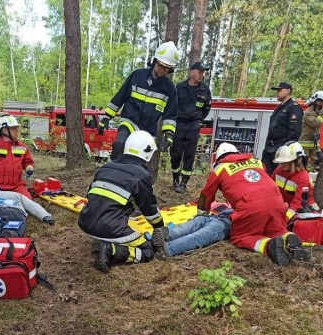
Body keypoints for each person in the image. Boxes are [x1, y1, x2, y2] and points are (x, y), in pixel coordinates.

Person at [198, 142, 308, 266]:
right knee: (277, 230)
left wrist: (202, 214)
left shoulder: (220, 168)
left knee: (242, 236)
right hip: (277, 203)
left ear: (218, 159)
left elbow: (206, 195)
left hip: (250, 206)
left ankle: (268, 245)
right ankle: (288, 237)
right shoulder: (257, 162)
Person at [78, 130, 165, 272]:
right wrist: (159, 227)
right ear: (148, 153)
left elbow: (92, 196)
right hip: (109, 228)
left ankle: (105, 242)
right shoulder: (141, 175)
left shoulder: (105, 168)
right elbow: (149, 210)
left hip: (85, 222)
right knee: (149, 250)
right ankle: (111, 251)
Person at [100, 41, 179, 160]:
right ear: (154, 62)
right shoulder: (137, 76)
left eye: (166, 69)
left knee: (141, 159)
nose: (162, 70)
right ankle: (112, 172)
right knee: (120, 145)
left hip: (148, 129)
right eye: (160, 66)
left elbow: (170, 115)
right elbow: (120, 96)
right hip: (129, 121)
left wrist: (169, 134)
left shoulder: (169, 88)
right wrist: (106, 117)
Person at [170, 61, 212, 193]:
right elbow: (172, 105)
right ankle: (175, 178)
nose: (202, 75)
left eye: (203, 73)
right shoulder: (179, 87)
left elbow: (207, 108)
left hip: (193, 125)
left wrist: (199, 119)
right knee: (176, 153)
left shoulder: (205, 89)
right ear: (191, 72)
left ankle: (184, 182)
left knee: (189, 155)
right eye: (199, 72)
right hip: (179, 124)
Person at [0, 115, 34, 199]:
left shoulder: (23, 147)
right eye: (14, 128)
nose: (17, 130)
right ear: (5, 130)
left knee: (27, 200)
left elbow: (28, 162)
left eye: (17, 128)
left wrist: (29, 168)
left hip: (16, 187)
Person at [152, 207, 233, 258]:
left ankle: (167, 247)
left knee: (197, 235)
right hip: (218, 216)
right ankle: (167, 238)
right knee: (192, 230)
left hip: (225, 223)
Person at [261, 82, 303, 175]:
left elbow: (294, 133)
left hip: (280, 149)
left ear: (288, 91)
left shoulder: (293, 108)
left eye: (280, 90)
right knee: (265, 174)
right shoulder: (279, 108)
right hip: (269, 148)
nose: (277, 93)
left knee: (278, 176)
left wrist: (284, 150)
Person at [272, 141, 320, 220]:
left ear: (296, 161)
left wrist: (284, 219)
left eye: (285, 162)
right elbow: (271, 189)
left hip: (303, 212)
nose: (281, 164)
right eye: (280, 162)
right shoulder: (279, 170)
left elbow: (298, 204)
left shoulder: (303, 177)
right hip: (286, 208)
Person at [299, 91, 323, 167]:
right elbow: (314, 123)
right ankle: (305, 173)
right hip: (304, 142)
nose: (320, 104)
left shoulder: (318, 112)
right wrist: (322, 116)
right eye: (319, 101)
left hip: (314, 142)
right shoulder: (308, 112)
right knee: (303, 163)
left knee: (320, 159)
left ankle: (310, 170)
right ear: (314, 100)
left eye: (322, 102)